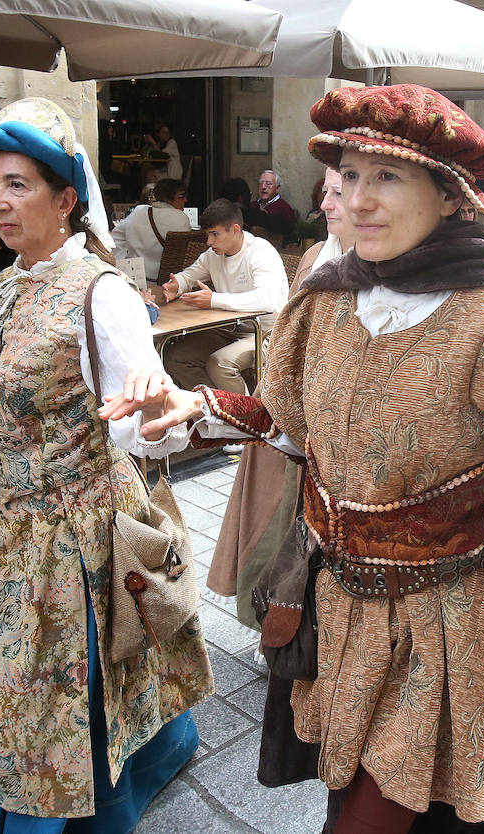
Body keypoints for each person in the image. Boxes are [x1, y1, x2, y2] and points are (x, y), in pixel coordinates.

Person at [100, 83, 484, 833]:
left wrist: (468, 550)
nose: (358, 199)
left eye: (387, 177)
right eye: (349, 176)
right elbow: (295, 428)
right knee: (361, 795)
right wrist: (204, 408)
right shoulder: (325, 298)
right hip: (339, 615)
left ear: (451, 195)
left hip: (447, 630)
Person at [0, 97, 213, 832]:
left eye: (18, 184)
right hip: (21, 527)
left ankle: (67, 810)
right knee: (19, 677)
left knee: (73, 678)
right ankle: (146, 758)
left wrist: (152, 410)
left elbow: (154, 431)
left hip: (89, 521)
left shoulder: (101, 294)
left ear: (66, 199)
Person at [206, 166, 354, 617]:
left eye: (338, 192)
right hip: (291, 413)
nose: (325, 204)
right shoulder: (315, 257)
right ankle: (277, 615)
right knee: (277, 526)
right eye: (325, 191)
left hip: (337, 436)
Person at [160, 198, 287, 394]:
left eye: (214, 234)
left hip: (265, 332)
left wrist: (214, 300)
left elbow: (266, 300)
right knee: (173, 356)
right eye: (207, 235)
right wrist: (177, 285)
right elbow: (189, 275)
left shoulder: (260, 252)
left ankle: (246, 416)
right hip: (228, 328)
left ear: (235, 229)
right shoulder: (213, 255)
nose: (209, 242)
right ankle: (215, 410)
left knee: (219, 364)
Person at [110, 177, 191, 283]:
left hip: (136, 276)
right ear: (168, 197)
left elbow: (115, 237)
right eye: (181, 196)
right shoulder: (181, 218)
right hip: (167, 278)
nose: (186, 200)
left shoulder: (139, 211)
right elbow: (185, 250)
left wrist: (123, 261)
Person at [246, 169, 297, 239]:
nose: (263, 187)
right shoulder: (252, 205)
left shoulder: (284, 208)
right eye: (261, 183)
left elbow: (289, 233)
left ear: (277, 188)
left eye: (268, 184)